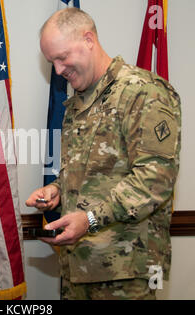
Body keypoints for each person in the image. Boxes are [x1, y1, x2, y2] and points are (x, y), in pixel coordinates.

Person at [26, 8, 181, 300]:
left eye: (61, 57)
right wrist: (57, 189)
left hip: (126, 273)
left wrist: (90, 219)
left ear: (88, 39)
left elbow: (155, 179)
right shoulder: (77, 103)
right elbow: (90, 171)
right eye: (51, 62)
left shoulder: (142, 92)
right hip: (79, 266)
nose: (58, 70)